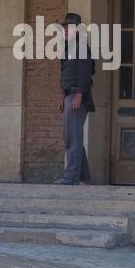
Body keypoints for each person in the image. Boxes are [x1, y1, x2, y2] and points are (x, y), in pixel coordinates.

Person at [54, 13, 95, 185]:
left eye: (69, 27)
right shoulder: (68, 48)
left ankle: (71, 177)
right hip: (69, 95)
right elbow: (65, 73)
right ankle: (83, 176)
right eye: (64, 27)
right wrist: (62, 95)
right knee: (72, 137)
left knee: (72, 138)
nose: (65, 30)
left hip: (77, 97)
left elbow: (85, 74)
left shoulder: (81, 47)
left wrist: (78, 94)